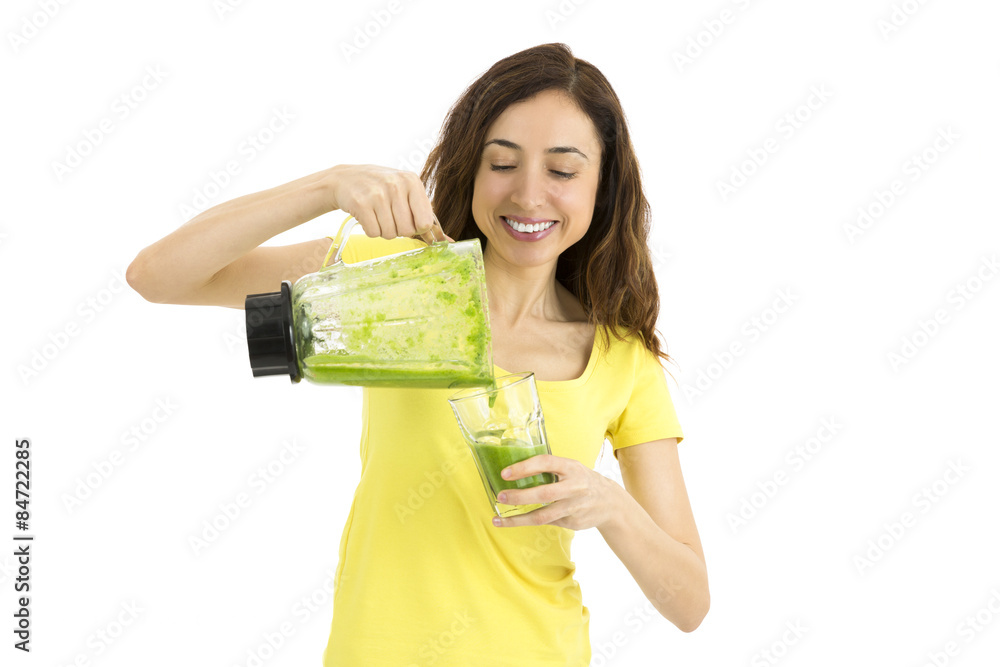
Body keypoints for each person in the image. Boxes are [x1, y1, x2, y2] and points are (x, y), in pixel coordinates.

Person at [128, 42, 708, 666]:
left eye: (563, 171)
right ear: (472, 168)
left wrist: (610, 505)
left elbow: (689, 604)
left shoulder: (621, 359)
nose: (529, 195)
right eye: (503, 163)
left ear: (603, 185)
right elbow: (158, 277)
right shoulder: (396, 278)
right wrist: (328, 185)